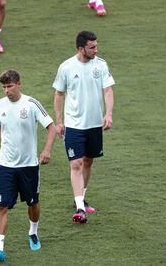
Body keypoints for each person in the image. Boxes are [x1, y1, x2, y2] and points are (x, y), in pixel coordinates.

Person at [0, 70, 56, 263]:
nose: (6, 91)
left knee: (32, 203)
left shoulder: (31, 104)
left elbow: (52, 127)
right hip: (5, 166)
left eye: (10, 86)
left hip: (29, 166)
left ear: (19, 84)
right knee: (1, 206)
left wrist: (47, 150)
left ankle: (33, 232)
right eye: (4, 87)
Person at [53, 31, 114, 223]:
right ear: (81, 48)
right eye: (92, 47)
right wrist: (59, 121)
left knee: (88, 161)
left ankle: (80, 198)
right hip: (74, 125)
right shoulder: (66, 67)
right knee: (76, 164)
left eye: (96, 46)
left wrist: (109, 114)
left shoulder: (101, 64)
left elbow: (108, 90)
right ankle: (80, 208)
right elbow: (59, 94)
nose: (96, 49)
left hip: (95, 124)